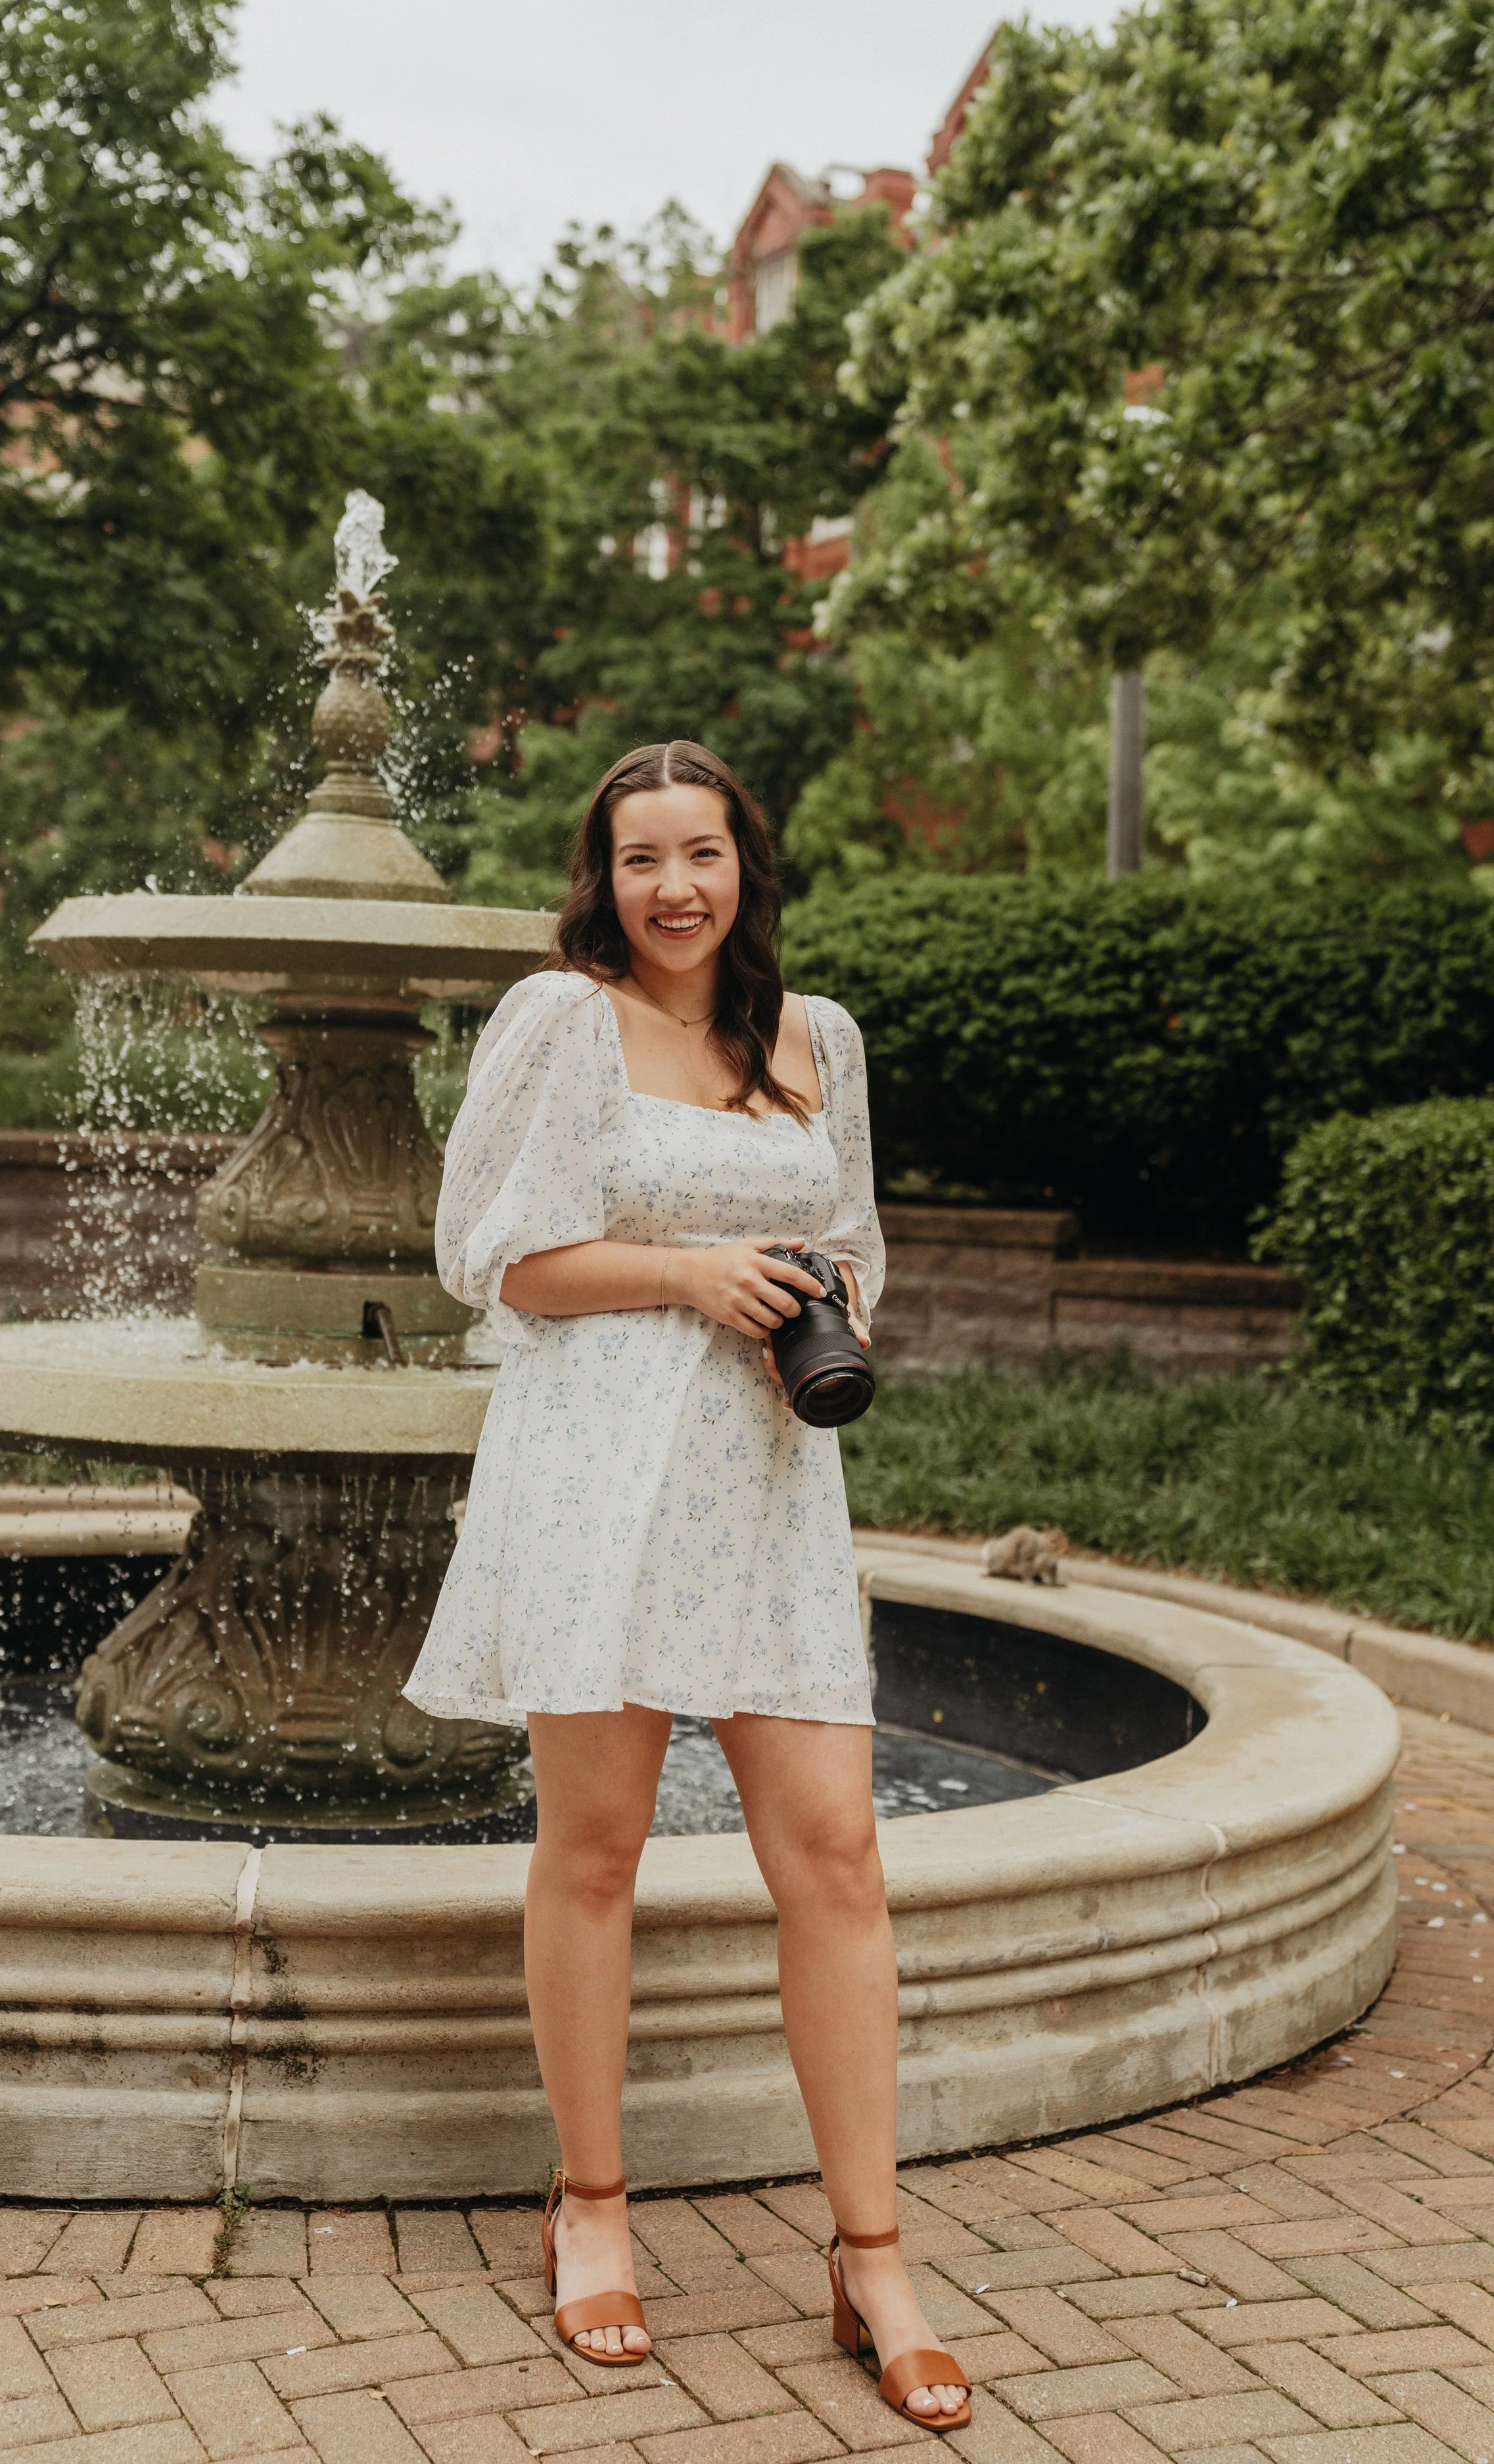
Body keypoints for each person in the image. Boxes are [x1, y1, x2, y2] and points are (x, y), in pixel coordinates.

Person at [403, 741, 969, 2432]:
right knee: (593, 1851)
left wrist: (837, 1316)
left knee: (838, 1855)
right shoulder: (557, 1020)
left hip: (772, 1482)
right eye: (641, 858)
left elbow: (856, 1238)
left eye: (702, 855)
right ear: (604, 873)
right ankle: (590, 2210)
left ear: (746, 867)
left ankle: (871, 2254)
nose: (674, 888)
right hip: (595, 1473)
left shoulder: (821, 1040)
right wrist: (689, 1270)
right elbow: (488, 1259)